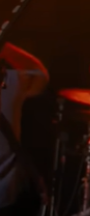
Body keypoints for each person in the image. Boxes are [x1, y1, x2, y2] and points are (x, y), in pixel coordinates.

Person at [0, 42, 49, 216]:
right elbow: (39, 74)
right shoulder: (13, 82)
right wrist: (5, 48)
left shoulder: (12, 82)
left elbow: (40, 75)